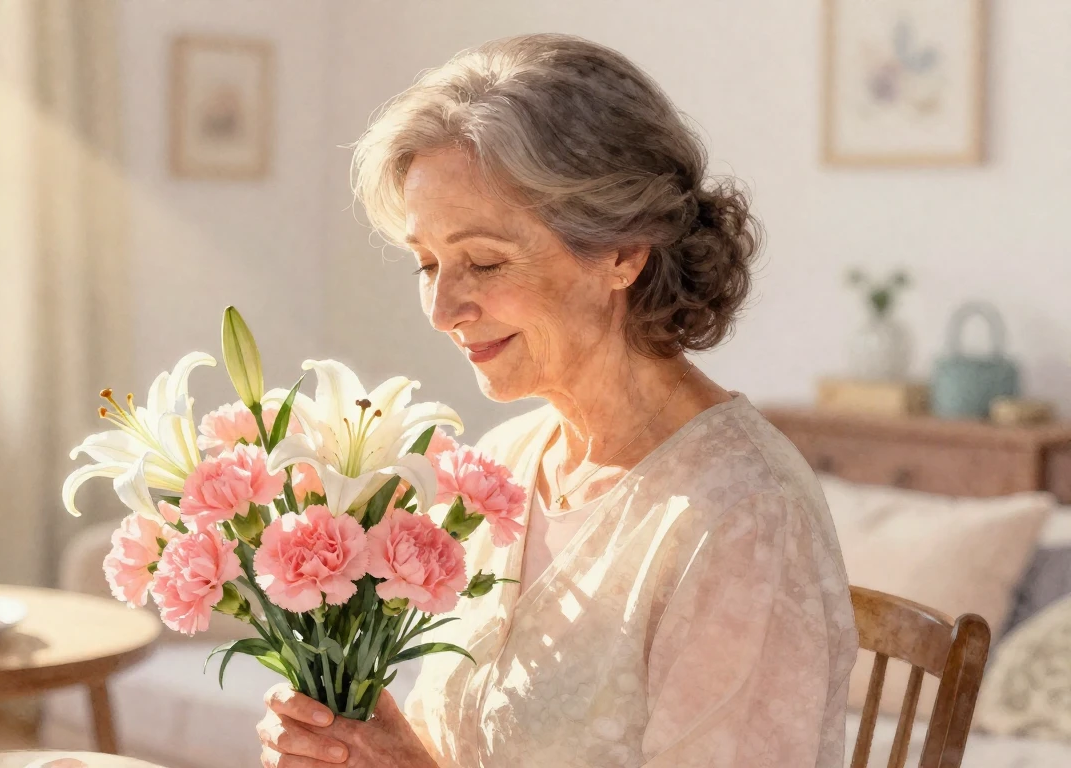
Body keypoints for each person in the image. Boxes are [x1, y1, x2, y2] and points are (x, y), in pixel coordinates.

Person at [257, 33, 857, 767]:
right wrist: (360, 747)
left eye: (482, 261)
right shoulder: (504, 466)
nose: (443, 310)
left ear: (623, 252)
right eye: (427, 263)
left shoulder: (743, 520)